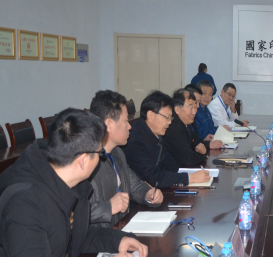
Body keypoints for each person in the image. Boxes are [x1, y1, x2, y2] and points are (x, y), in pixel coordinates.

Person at [0, 108, 148, 257]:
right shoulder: (23, 202)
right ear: (83, 161)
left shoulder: (72, 186)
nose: (100, 159)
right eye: (99, 153)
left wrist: (117, 240)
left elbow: (76, 235)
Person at [89, 90, 164, 227]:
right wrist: (108, 207)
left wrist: (148, 194)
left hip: (121, 227)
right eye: (125, 121)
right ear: (109, 125)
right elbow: (74, 214)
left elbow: (133, 184)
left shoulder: (117, 153)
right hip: (100, 237)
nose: (130, 126)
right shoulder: (87, 161)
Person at [122, 90, 210, 188]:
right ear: (150, 115)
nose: (169, 122)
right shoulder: (135, 140)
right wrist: (190, 178)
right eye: (167, 117)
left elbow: (170, 164)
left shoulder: (156, 134)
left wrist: (178, 178)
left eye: (170, 118)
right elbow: (153, 178)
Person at [163, 89, 208, 168]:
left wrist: (200, 147)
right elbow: (189, 158)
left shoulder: (188, 123)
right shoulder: (172, 128)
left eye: (195, 107)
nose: (194, 112)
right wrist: (203, 156)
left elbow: (194, 145)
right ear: (177, 109)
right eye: (191, 107)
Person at [187, 83, 224, 150]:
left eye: (210, 94)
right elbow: (200, 133)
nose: (207, 97)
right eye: (204, 93)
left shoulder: (206, 109)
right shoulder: (195, 112)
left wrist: (220, 129)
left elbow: (211, 127)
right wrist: (218, 130)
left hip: (204, 143)